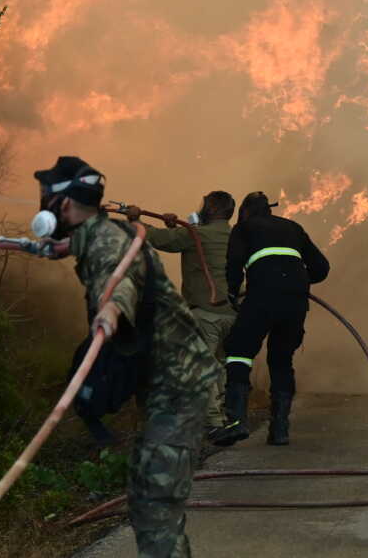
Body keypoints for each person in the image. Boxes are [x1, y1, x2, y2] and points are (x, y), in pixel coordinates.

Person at [32, 156, 217, 557]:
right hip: (159, 376)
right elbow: (97, 246)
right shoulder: (100, 233)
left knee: (155, 501)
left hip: (180, 383)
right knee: (145, 490)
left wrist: (110, 313)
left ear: (62, 206)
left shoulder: (111, 246)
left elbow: (120, 280)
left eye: (45, 197)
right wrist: (60, 246)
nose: (42, 205)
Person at [215, 191, 330, 447]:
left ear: (245, 211)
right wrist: (293, 281)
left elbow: (233, 264)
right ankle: (279, 430)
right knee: (281, 358)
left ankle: (236, 422)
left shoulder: (243, 228)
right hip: (295, 301)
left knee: (238, 350)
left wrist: (232, 294)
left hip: (262, 297)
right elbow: (322, 268)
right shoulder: (293, 227)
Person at [128, 192, 237, 441]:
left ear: (211, 208)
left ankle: (215, 423)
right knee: (222, 366)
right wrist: (177, 224)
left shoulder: (196, 234)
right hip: (233, 314)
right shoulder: (234, 236)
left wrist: (134, 219)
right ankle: (228, 417)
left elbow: (155, 238)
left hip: (206, 313)